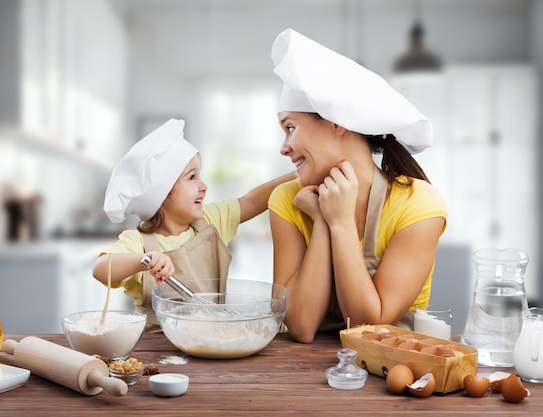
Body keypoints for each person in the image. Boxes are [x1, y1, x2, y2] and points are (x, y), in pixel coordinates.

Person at [268, 29, 447, 343]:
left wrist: (339, 222)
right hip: (300, 380)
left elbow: (367, 325)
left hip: (390, 378)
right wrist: (323, 221)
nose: (283, 147)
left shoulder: (419, 205)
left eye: (290, 127)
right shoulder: (286, 200)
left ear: (338, 123)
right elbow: (300, 325)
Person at [92, 118, 295, 328]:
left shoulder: (211, 221)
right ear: (161, 194)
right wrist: (144, 260)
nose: (203, 186)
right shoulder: (139, 242)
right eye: (192, 178)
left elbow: (252, 201)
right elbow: (100, 269)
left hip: (212, 339)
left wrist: (301, 173)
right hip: (157, 351)